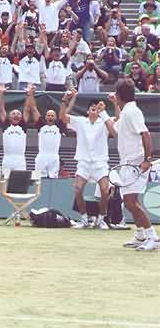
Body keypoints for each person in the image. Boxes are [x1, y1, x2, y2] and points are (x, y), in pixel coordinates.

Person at [100, 78, 159, 250]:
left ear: (119, 95)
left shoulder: (133, 112)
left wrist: (147, 160)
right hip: (127, 163)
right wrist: (105, 112)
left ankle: (153, 238)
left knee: (131, 202)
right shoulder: (126, 112)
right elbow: (115, 129)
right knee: (129, 202)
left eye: (116, 95)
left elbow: (146, 135)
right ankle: (140, 236)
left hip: (137, 162)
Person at [61, 93, 114, 229]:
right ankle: (84, 219)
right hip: (84, 163)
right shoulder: (80, 121)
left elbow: (118, 120)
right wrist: (64, 101)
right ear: (88, 111)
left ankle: (101, 218)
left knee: (104, 190)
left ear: (99, 111)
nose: (94, 109)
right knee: (78, 189)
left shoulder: (104, 122)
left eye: (97, 108)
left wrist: (113, 104)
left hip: (100, 163)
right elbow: (62, 117)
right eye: (92, 107)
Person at [27, 86, 73, 178]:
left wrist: (65, 100)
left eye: (52, 115)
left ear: (55, 117)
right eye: (48, 115)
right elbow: (33, 108)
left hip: (54, 157)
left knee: (53, 179)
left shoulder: (59, 126)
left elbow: (65, 112)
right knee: (39, 179)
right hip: (42, 156)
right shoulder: (41, 125)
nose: (50, 117)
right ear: (45, 117)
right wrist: (30, 94)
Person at [0, 83, 31, 171]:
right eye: (13, 114)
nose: (16, 115)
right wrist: (1, 93)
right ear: (9, 117)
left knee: (20, 184)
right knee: (5, 182)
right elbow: (1, 108)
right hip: (7, 159)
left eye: (18, 114)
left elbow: (27, 108)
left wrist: (29, 94)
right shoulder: (6, 125)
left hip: (20, 160)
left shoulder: (23, 126)